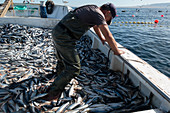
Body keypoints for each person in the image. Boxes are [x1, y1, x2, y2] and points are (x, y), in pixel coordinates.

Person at [42, 3, 124, 101]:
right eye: (108, 18)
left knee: (62, 59)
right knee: (74, 68)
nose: (106, 20)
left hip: (58, 31)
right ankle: (53, 93)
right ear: (107, 12)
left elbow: (95, 27)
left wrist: (101, 38)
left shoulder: (92, 9)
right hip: (65, 36)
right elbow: (108, 35)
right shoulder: (98, 14)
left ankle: (58, 79)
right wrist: (117, 51)